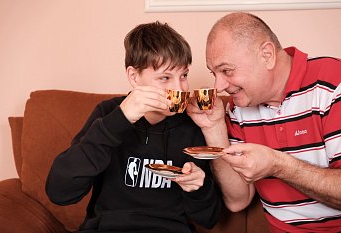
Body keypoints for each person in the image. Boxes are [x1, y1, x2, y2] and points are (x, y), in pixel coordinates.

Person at [45, 21, 222, 233]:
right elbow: (59, 192)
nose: (179, 88)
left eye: (183, 75)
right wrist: (120, 120)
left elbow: (209, 219)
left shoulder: (192, 122)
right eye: (165, 77)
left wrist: (198, 188)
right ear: (134, 77)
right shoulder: (108, 114)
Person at [187, 12, 341, 232]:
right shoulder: (238, 106)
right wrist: (214, 128)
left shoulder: (333, 84)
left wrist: (278, 165)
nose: (218, 85)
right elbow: (238, 200)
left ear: (267, 55)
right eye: (214, 73)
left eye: (226, 70)